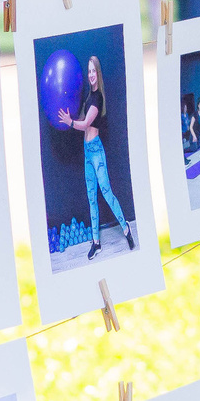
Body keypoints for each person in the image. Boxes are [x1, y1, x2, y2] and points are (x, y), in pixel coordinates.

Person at [67, 53, 134, 253]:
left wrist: (69, 122)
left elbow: (86, 123)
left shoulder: (98, 98)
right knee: (91, 197)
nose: (90, 75)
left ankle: (126, 228)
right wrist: (70, 116)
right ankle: (96, 242)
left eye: (93, 71)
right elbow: (81, 122)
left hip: (96, 151)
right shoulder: (89, 97)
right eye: (88, 71)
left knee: (106, 192)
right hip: (87, 152)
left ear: (98, 73)